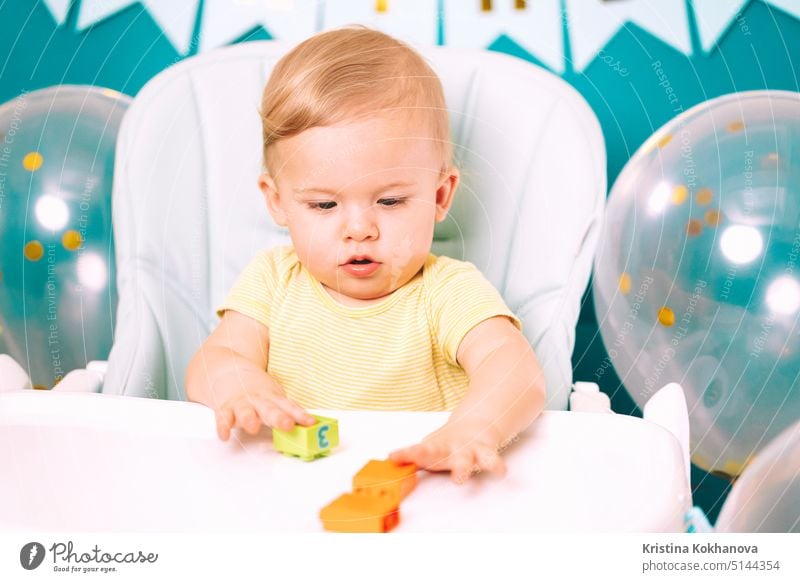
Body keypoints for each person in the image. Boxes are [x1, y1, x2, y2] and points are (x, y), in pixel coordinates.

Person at [185, 26, 545, 483]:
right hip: (283, 489)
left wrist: (474, 428)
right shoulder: (273, 281)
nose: (359, 230)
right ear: (277, 201)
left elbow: (515, 371)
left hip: (416, 494)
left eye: (390, 201)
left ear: (439, 195)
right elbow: (212, 361)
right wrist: (243, 388)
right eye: (324, 205)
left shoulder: (446, 292)